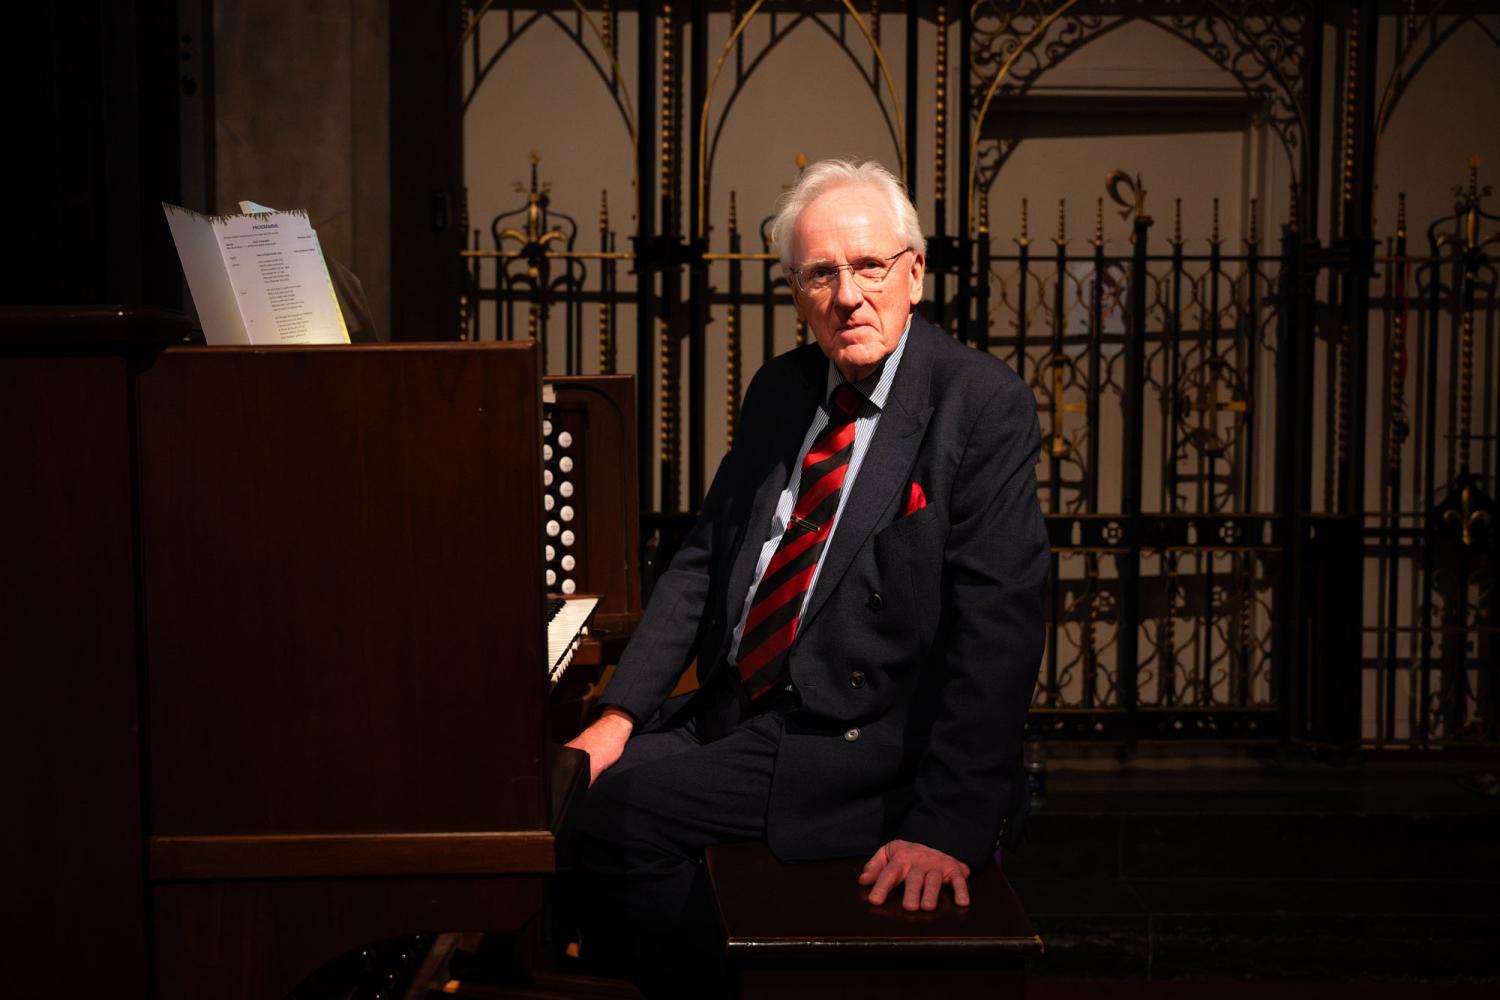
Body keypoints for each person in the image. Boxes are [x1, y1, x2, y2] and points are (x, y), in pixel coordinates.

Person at [562, 158, 1048, 998]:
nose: (847, 294)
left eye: (868, 267)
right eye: (821, 273)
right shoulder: (782, 391)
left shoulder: (979, 403)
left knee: (621, 821)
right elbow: (703, 559)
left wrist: (946, 827)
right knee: (565, 787)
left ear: (915, 274)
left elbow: (998, 631)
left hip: (854, 741)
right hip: (737, 707)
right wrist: (617, 716)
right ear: (796, 290)